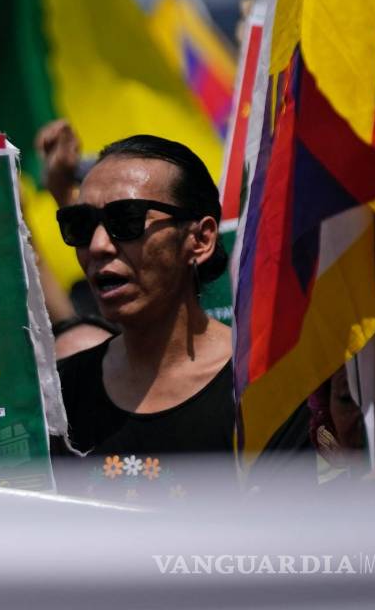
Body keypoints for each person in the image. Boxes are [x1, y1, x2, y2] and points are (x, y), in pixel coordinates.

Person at [51, 135, 235, 499]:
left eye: (127, 219)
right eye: (81, 224)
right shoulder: (58, 399)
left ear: (200, 239)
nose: (99, 246)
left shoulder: (260, 386)